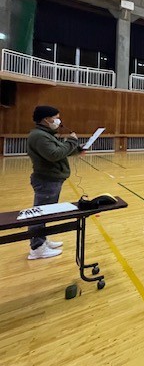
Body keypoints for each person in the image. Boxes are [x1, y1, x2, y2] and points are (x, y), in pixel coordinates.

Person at [26, 105, 81, 259]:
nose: (58, 120)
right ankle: (37, 248)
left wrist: (76, 149)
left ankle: (41, 240)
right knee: (40, 214)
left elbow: (59, 150)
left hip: (51, 179)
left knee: (45, 213)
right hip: (46, 180)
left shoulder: (46, 134)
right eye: (56, 117)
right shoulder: (39, 136)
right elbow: (54, 154)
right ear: (46, 119)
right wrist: (72, 142)